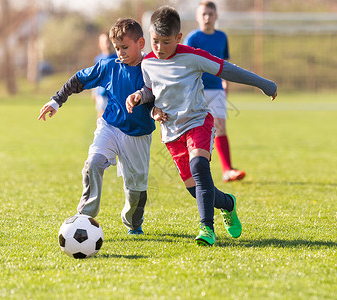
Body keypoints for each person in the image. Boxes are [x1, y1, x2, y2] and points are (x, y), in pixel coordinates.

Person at [126, 6, 277, 246]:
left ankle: (206, 227)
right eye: (155, 41)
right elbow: (150, 90)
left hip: (198, 121)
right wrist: (143, 100)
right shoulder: (147, 63)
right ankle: (228, 203)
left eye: (166, 42)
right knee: (194, 189)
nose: (160, 48)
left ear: (178, 38)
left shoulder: (192, 56)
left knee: (199, 165)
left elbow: (227, 69)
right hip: (171, 132)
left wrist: (263, 83)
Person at [38, 18, 155, 235]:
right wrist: (56, 101)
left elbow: (162, 94)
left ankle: (133, 222)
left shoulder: (153, 67)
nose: (120, 53)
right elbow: (79, 79)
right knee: (93, 163)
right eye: (117, 48)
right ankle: (84, 217)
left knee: (136, 190)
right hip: (110, 127)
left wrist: (158, 109)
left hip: (138, 136)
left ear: (141, 43)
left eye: (125, 47)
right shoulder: (109, 66)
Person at [184, 1, 245, 183]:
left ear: (216, 16)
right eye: (203, 14)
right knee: (194, 129)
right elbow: (185, 66)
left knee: (220, 127)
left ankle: (227, 170)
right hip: (197, 91)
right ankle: (191, 170)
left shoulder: (222, 37)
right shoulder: (192, 38)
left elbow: (225, 63)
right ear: (197, 16)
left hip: (217, 89)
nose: (207, 18)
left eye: (210, 14)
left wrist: (225, 82)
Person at [93, 33, 117, 119]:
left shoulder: (117, 58)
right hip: (102, 94)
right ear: (100, 44)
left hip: (114, 94)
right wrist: (94, 92)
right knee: (101, 117)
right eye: (104, 42)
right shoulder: (98, 59)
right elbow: (95, 77)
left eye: (108, 41)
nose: (107, 44)